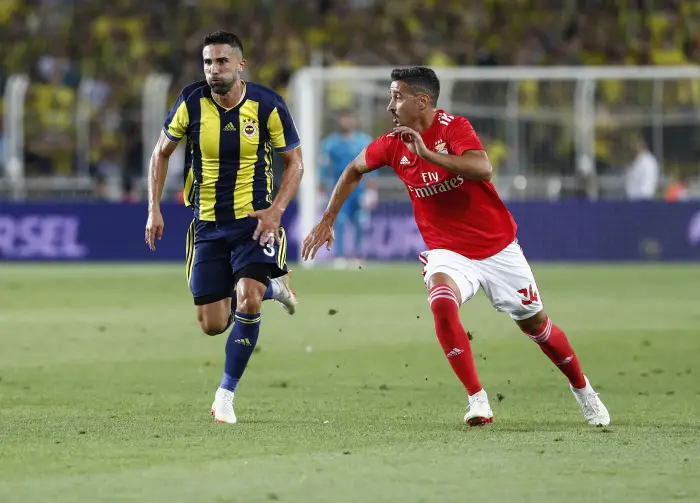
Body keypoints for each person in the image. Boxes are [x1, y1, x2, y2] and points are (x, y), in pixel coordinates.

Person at [302, 67, 610, 427]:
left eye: (397, 97)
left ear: (422, 101)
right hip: (448, 250)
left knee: (537, 327)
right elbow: (354, 169)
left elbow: (482, 168)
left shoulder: (454, 127)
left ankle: (583, 390)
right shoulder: (391, 144)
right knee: (442, 301)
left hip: (497, 248)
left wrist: (429, 154)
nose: (390, 105)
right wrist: (328, 218)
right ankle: (478, 400)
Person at [144, 31, 304, 424]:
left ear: (240, 65)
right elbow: (160, 153)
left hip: (255, 223)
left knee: (246, 298)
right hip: (208, 225)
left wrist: (277, 211)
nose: (214, 70)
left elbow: (295, 162)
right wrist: (154, 208)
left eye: (222, 62)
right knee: (212, 325)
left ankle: (225, 395)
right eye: (208, 63)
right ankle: (272, 289)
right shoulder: (190, 101)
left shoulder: (267, 105)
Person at [319, 110, 375, 267]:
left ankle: (357, 254)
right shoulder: (330, 144)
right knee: (340, 221)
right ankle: (340, 255)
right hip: (339, 189)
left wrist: (371, 190)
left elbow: (373, 164)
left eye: (348, 119)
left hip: (359, 188)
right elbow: (324, 168)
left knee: (359, 221)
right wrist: (322, 189)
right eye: (342, 119)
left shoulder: (363, 141)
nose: (345, 122)